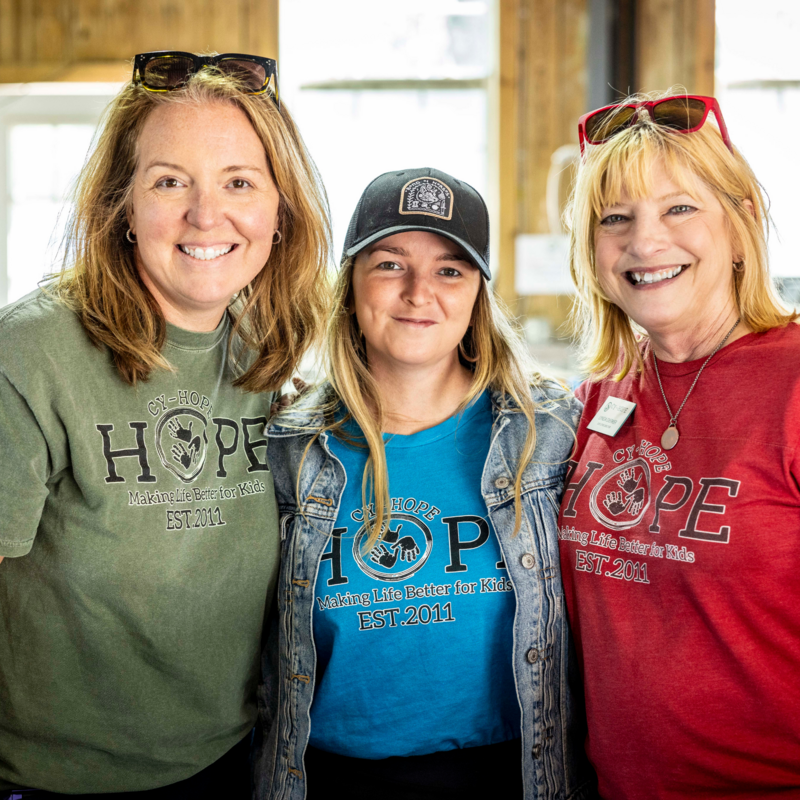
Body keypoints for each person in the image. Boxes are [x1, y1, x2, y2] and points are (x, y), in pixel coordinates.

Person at [0, 52, 330, 799]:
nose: (206, 216)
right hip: (56, 781)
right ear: (121, 204)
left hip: (233, 761)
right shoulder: (30, 354)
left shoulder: (269, 352)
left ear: (280, 209)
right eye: (170, 181)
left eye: (239, 182)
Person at [254, 167, 594, 800]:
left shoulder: (549, 432)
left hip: (511, 773)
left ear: (478, 295)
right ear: (350, 285)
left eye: (450, 270)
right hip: (329, 776)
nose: (419, 292)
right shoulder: (288, 446)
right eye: (390, 265)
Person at [560, 90, 800, 798]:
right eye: (615, 219)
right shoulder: (597, 396)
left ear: (741, 222)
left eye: (679, 208)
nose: (644, 242)